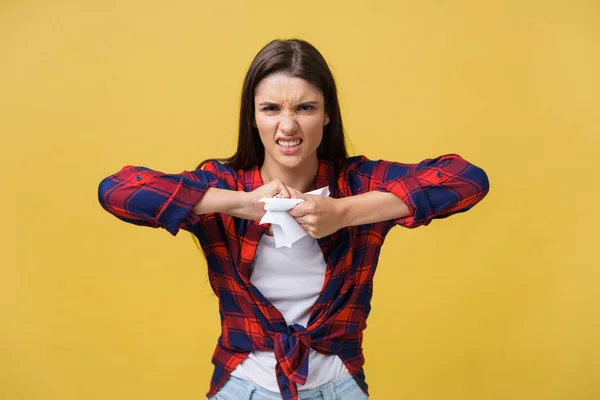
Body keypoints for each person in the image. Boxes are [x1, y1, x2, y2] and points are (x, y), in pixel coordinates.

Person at [98, 38, 490, 400]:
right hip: (242, 386)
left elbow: (467, 179)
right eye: (271, 109)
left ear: (328, 115)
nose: (288, 126)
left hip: (339, 385)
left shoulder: (357, 182)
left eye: (306, 107)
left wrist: (344, 212)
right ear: (252, 117)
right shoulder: (224, 185)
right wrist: (239, 204)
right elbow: (117, 191)